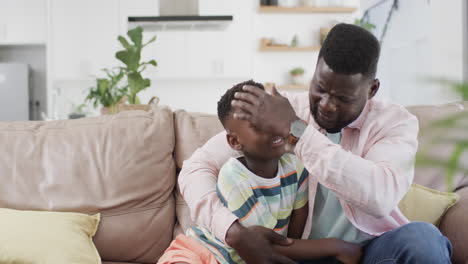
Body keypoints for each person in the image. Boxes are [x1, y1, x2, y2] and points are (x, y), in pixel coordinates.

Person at [179, 23, 453, 263]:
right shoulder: (284, 109)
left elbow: (380, 197)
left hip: (367, 252)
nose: (326, 106)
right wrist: (232, 232)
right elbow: (195, 168)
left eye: (343, 98)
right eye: (320, 88)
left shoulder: (394, 123)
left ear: (371, 90)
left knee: (424, 239)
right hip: (301, 253)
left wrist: (298, 131)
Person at [159, 80, 362, 264]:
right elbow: (263, 245)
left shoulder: (295, 166)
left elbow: (294, 231)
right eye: (257, 125)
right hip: (202, 254)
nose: (271, 128)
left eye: (271, 119)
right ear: (235, 141)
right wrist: (337, 246)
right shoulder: (234, 177)